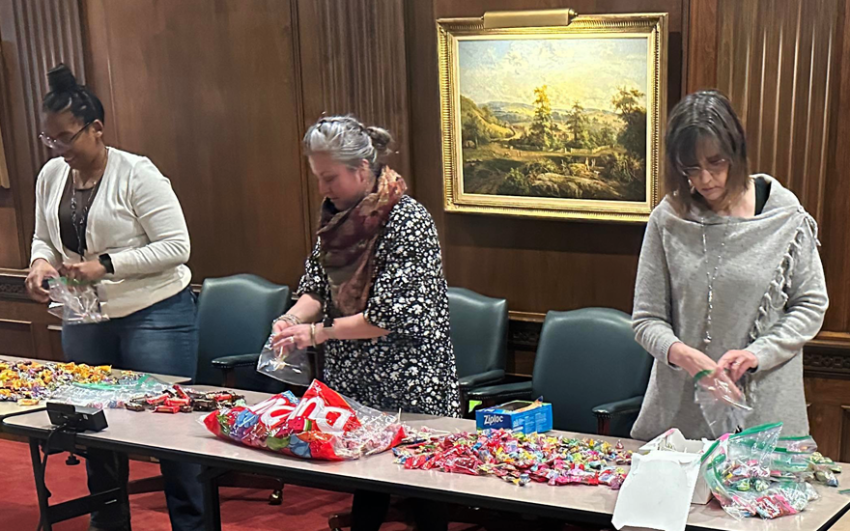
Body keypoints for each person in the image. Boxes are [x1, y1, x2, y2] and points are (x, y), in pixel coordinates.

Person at [24, 64, 203, 531]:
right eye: (51, 140)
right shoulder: (51, 176)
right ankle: (108, 518)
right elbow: (44, 236)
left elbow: (177, 247)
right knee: (93, 424)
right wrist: (40, 263)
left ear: (96, 128)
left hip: (154, 312)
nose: (60, 151)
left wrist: (106, 265)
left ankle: (190, 523)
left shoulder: (137, 174)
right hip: (85, 316)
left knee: (171, 430)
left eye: (66, 138)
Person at [272, 115, 460, 531]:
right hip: (353, 378)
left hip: (407, 379)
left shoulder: (407, 220)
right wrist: (288, 320)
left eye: (329, 178)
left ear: (360, 170)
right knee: (365, 485)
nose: (322, 189)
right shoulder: (336, 221)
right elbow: (315, 289)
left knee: (423, 487)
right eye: (318, 178)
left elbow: (388, 317)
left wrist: (316, 333)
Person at [631, 90, 828, 441]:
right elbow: (647, 319)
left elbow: (811, 304)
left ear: (737, 151)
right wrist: (686, 357)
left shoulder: (784, 216)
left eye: (715, 162)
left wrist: (757, 354)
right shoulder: (668, 220)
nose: (704, 179)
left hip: (766, 411)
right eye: (690, 168)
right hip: (681, 414)